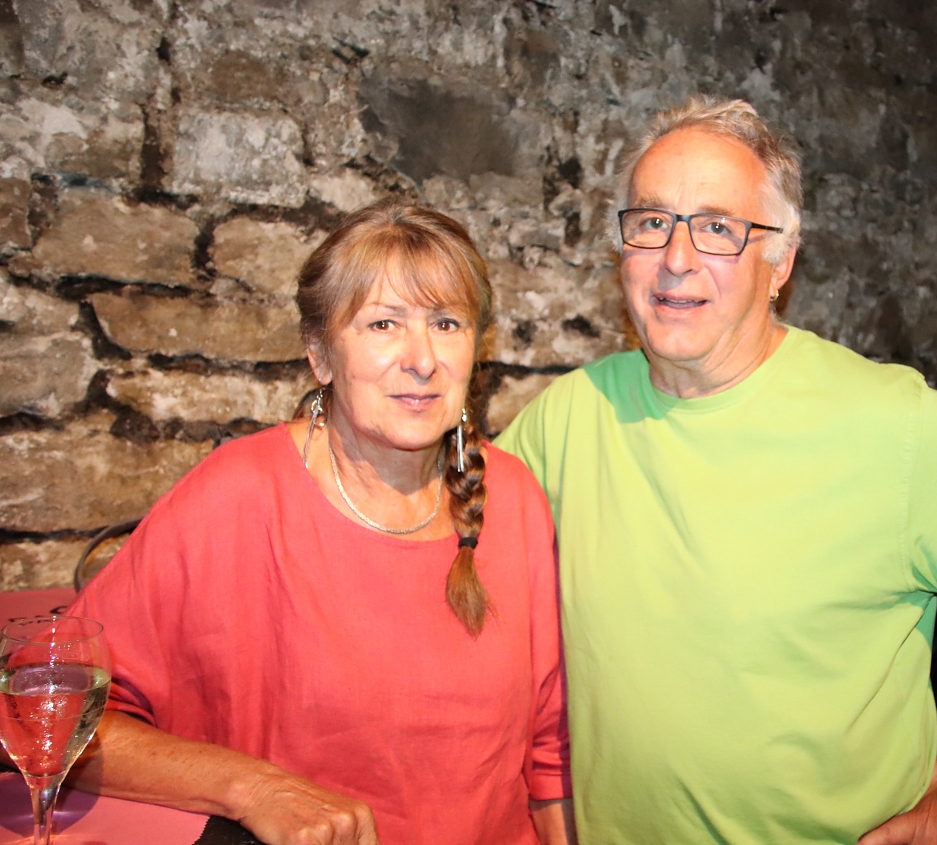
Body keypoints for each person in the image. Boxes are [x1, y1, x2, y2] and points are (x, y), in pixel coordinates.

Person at [495, 96, 937, 844]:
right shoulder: (569, 417)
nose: (676, 258)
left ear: (780, 263)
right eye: (651, 222)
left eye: (718, 228)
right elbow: (444, 555)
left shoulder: (889, 424)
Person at [66, 202, 574, 845]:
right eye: (384, 323)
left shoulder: (514, 498)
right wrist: (252, 788)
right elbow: (49, 714)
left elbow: (550, 755)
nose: (422, 359)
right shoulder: (239, 498)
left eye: (446, 323)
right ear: (319, 355)